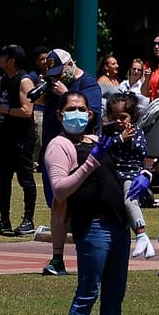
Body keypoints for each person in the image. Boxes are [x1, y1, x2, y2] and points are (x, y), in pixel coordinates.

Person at [45, 90, 138, 315]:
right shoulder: (59, 145)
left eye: (82, 109)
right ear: (60, 114)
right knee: (87, 293)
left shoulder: (99, 140)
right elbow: (60, 189)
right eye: (71, 109)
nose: (77, 114)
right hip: (93, 226)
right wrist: (90, 163)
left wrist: (143, 176)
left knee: (114, 296)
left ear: (91, 114)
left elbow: (125, 166)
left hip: (118, 225)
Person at [34, 48, 101, 276]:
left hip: (80, 150)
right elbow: (35, 102)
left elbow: (91, 115)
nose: (58, 77)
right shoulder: (54, 85)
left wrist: (66, 94)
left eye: (60, 72)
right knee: (58, 203)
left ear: (71, 64)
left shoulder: (88, 84)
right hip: (55, 151)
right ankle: (57, 259)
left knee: (85, 205)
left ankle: (91, 257)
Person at [0, 44, 37, 236]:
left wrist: (2, 109)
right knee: (3, 178)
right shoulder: (3, 79)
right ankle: (4, 220)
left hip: (22, 136)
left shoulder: (24, 81)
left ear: (11, 60)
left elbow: (27, 111)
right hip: (5, 134)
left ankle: (28, 220)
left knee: (25, 178)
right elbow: (1, 106)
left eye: (3, 56)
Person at [102, 92, 155, 258]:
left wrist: (126, 139)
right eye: (114, 117)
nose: (118, 121)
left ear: (133, 117)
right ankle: (144, 241)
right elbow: (104, 149)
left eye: (123, 117)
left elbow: (142, 151)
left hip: (130, 174)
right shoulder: (109, 132)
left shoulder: (136, 132)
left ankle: (141, 234)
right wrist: (119, 138)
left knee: (129, 201)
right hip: (113, 175)